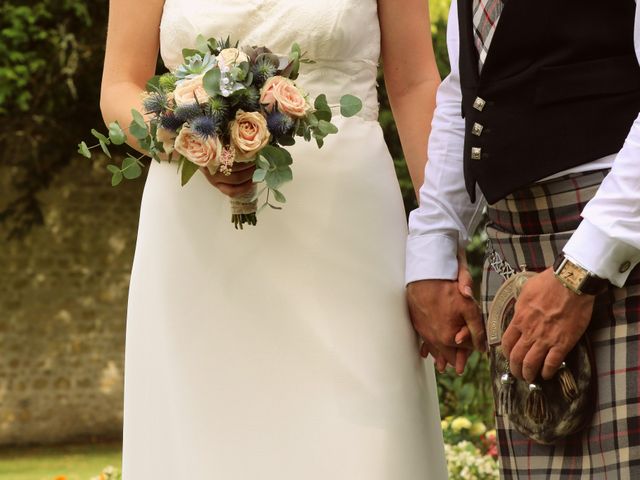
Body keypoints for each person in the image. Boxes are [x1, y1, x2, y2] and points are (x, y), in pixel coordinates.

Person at [100, 0, 451, 478]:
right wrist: (190, 138)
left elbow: (414, 84)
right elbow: (119, 86)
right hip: (197, 241)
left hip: (348, 236)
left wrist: (440, 244)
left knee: (365, 446)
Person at [407, 0, 640, 477]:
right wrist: (431, 246)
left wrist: (581, 272)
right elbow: (467, 93)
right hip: (516, 255)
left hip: (620, 254)